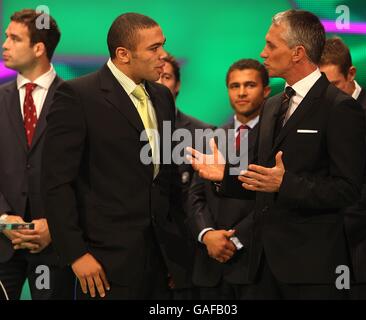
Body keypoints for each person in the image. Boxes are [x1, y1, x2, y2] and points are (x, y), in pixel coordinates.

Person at [188, 10, 366, 299]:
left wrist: (285, 184)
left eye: (271, 45)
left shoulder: (340, 107)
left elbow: (348, 190)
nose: (263, 52)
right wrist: (226, 176)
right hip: (261, 268)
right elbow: (263, 179)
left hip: (312, 269)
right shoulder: (272, 106)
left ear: (297, 53)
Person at [41, 12, 183, 300]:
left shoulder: (162, 96)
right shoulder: (77, 95)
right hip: (102, 263)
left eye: (162, 45)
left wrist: (175, 251)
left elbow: (165, 177)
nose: (163, 55)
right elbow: (56, 183)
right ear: (123, 54)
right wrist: (76, 254)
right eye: (154, 48)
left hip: (160, 259)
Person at [0, 9, 74, 300]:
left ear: (39, 48)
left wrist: (55, 226)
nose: (5, 44)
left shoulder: (76, 100)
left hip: (55, 247)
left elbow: (86, 173)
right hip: (2, 245)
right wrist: (3, 217)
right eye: (6, 37)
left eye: (14, 38)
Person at [187, 59, 270, 299]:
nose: (241, 92)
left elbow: (272, 198)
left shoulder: (276, 137)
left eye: (249, 85)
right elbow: (195, 196)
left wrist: (236, 239)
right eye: (235, 86)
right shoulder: (212, 136)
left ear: (265, 91)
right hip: (210, 265)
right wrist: (207, 234)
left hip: (256, 265)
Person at [319, 37, 366, 299]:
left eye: (335, 85)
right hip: (315, 265)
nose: (328, 96)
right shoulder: (314, 115)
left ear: (351, 73)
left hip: (364, 261)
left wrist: (322, 233)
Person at [157, 53, 214, 299]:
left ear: (177, 85)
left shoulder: (204, 134)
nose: (160, 82)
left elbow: (204, 202)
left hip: (188, 257)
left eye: (166, 76)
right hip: (136, 260)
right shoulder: (123, 131)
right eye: (155, 76)